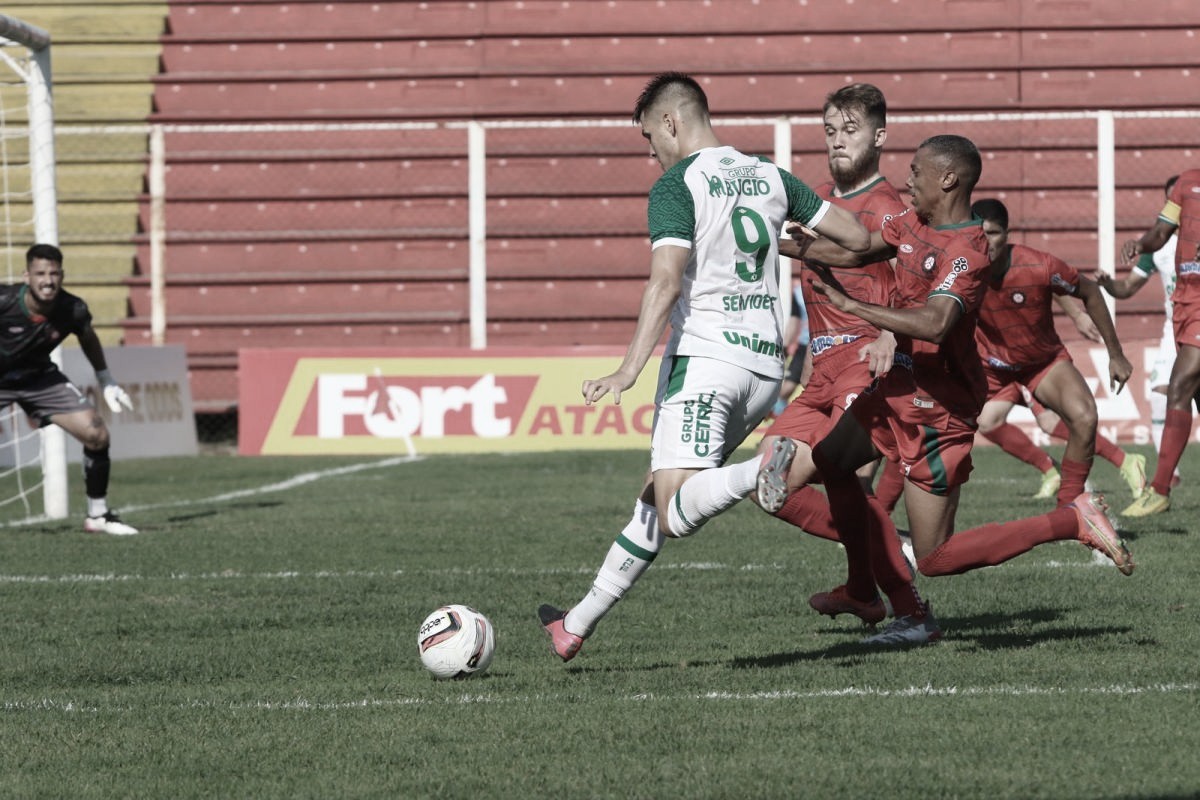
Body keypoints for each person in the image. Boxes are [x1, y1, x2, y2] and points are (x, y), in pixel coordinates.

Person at [536, 72, 870, 661]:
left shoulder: (677, 184)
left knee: (675, 510)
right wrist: (793, 244)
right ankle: (575, 624)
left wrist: (628, 369)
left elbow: (665, 281)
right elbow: (858, 237)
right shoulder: (769, 174)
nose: (651, 152)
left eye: (648, 137)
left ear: (670, 122)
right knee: (656, 493)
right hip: (764, 370)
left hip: (706, 359)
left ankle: (763, 468)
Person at [759, 135, 1134, 646]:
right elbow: (862, 246)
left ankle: (1069, 521)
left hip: (939, 411)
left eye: (916, 171)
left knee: (935, 557)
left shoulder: (968, 253)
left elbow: (935, 324)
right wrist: (771, 243)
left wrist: (855, 310)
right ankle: (864, 588)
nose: (906, 179)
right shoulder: (915, 222)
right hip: (896, 389)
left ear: (948, 179)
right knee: (830, 463)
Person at [753, 82, 918, 625]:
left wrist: (893, 337)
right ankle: (869, 577)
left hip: (864, 362)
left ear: (879, 135)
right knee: (766, 482)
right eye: (830, 131)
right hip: (821, 368)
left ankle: (906, 603)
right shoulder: (817, 197)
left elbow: (918, 279)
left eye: (851, 130)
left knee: (832, 467)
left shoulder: (889, 206)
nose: (838, 141)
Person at [970, 198, 1139, 507]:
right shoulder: (961, 270)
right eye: (979, 233)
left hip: (1040, 362)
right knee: (974, 424)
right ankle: (881, 519)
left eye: (993, 233)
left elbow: (1086, 289)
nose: (985, 242)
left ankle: (1070, 507)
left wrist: (1115, 353)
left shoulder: (1037, 265)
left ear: (1007, 235)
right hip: (991, 366)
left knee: (1084, 417)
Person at [0, 244, 137, 534]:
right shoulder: (5, 301)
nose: (47, 281)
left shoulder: (72, 309)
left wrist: (106, 379)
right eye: (40, 273)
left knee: (96, 434)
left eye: (54, 273)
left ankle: (98, 515)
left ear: (62, 275)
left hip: (39, 379)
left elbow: (88, 338)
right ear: (27, 275)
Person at [1118, 168, 1200, 516]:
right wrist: (1141, 244)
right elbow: (1161, 232)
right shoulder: (1186, 184)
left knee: (1180, 386)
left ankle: (1160, 488)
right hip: (1184, 300)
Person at [1098, 174, 1185, 496]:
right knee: (1160, 395)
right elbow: (1129, 286)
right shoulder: (1158, 247)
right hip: (1174, 330)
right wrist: (1109, 286)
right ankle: (1169, 473)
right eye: (1170, 202)